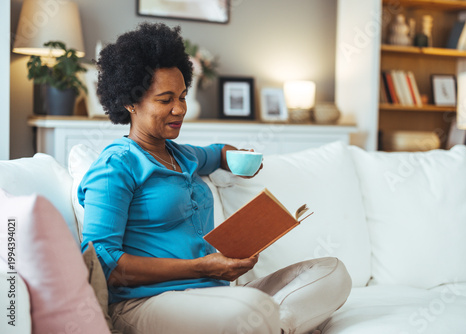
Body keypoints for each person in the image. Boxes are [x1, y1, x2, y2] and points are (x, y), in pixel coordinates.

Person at [79, 22, 352, 334]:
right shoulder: (115, 166)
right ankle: (269, 322)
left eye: (182, 96)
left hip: (217, 296)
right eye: (165, 99)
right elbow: (104, 264)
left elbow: (217, 152)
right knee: (250, 309)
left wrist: (236, 158)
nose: (179, 109)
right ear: (130, 102)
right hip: (146, 304)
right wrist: (200, 266)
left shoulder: (183, 155)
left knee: (332, 273)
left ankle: (274, 326)